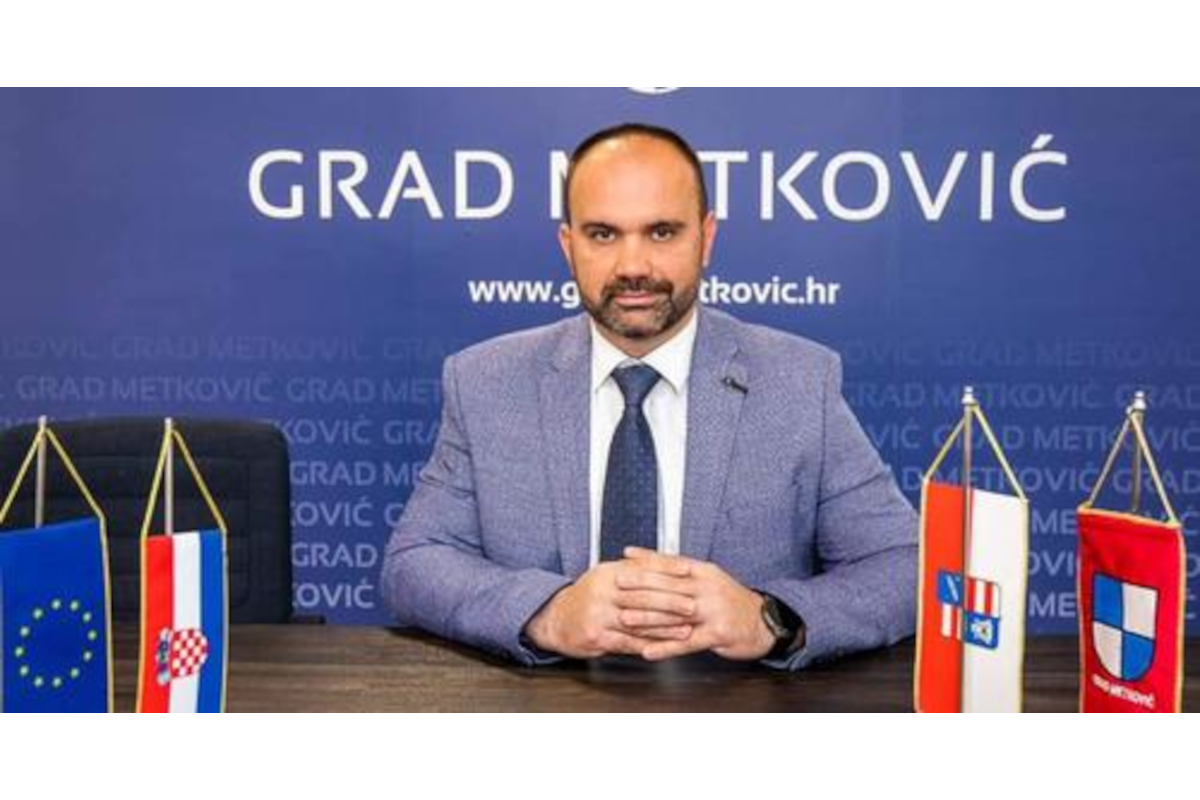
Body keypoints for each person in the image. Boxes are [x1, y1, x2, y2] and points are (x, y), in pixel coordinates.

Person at [381, 122, 917, 670]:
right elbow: (415, 563)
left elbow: (904, 563)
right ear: (568, 245)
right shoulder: (484, 382)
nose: (633, 267)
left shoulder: (799, 381)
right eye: (603, 234)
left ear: (706, 238)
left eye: (661, 232)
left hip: (735, 703)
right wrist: (548, 613)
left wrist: (769, 619)